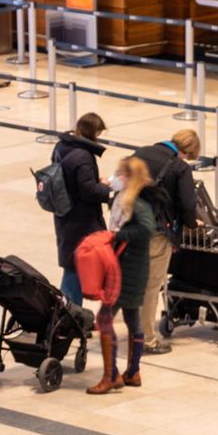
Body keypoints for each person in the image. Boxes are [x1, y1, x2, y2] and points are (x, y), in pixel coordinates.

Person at [88, 157, 156, 395]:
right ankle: (132, 372)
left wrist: (119, 235)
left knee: (104, 318)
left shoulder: (138, 204)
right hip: (128, 268)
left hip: (127, 270)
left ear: (130, 177)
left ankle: (111, 376)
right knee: (131, 317)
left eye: (120, 174)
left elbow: (147, 227)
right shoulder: (123, 199)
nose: (116, 177)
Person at [131, 128, 200, 355]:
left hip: (129, 228)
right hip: (156, 232)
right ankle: (147, 339)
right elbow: (188, 204)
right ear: (187, 150)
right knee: (151, 286)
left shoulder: (140, 153)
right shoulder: (180, 167)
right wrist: (192, 223)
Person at [51, 113, 112, 306]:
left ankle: (68, 311)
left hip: (65, 213)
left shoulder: (62, 145)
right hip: (80, 218)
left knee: (73, 263)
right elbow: (89, 191)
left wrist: (93, 181)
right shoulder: (83, 155)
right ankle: (69, 313)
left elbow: (70, 179)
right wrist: (107, 189)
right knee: (76, 264)